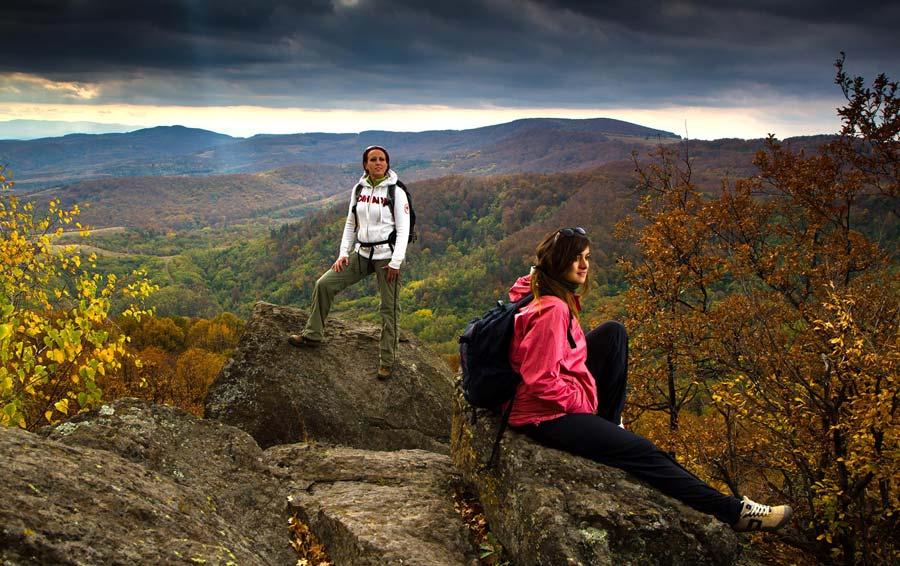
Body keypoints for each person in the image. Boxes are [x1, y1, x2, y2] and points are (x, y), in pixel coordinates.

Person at [506, 226, 793, 532]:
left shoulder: (534, 289)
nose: (584, 266)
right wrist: (585, 402)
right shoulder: (552, 309)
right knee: (644, 452)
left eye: (587, 257)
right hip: (543, 415)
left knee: (613, 332)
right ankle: (734, 512)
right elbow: (540, 382)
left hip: (544, 400)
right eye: (574, 258)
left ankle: (611, 424)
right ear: (557, 261)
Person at [288, 145, 410, 380]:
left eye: (382, 159)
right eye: (373, 159)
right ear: (365, 164)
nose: (378, 163)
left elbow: (403, 230)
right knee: (324, 284)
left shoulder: (396, 192)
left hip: (386, 257)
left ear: (388, 163)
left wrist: (396, 262)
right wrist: (343, 253)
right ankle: (313, 335)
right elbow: (350, 223)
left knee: (388, 308)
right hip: (362, 253)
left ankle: (387, 360)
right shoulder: (359, 189)